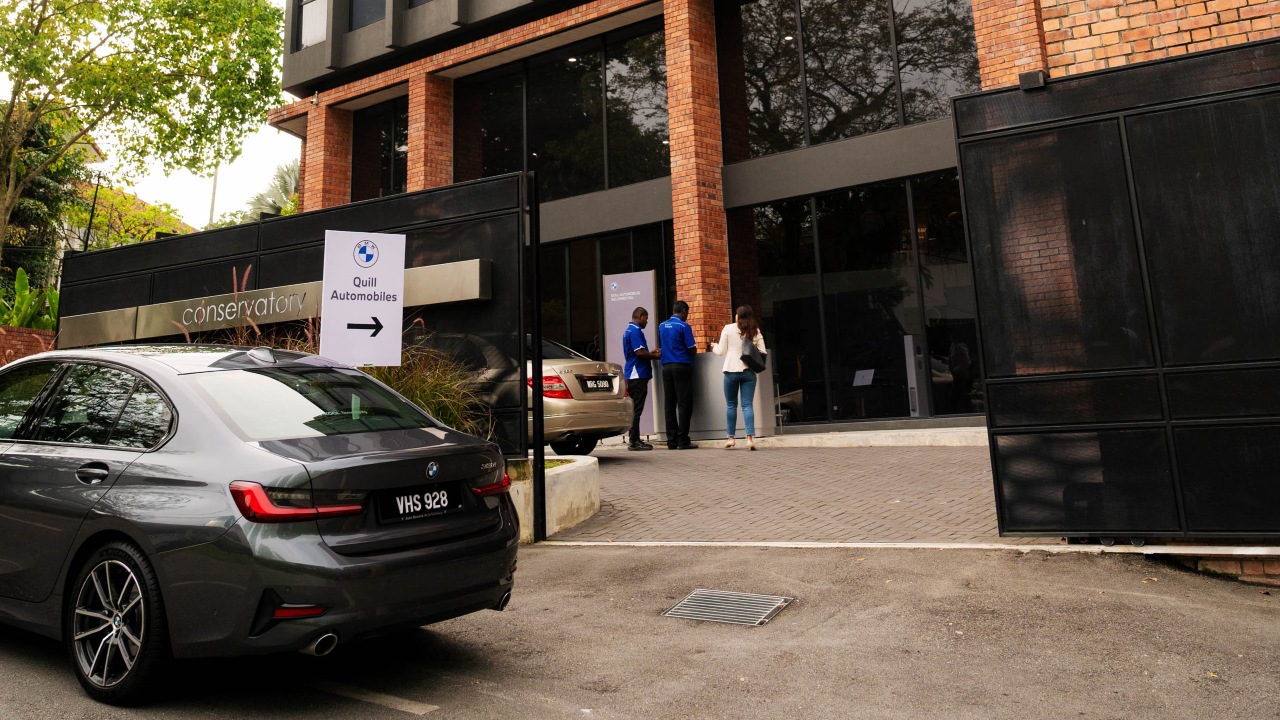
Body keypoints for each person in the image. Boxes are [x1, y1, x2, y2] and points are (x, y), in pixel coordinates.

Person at [710, 305, 767, 451]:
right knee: (747, 405)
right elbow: (762, 352)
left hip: (731, 370)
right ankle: (750, 439)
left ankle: (730, 438)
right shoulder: (755, 330)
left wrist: (713, 346)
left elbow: (721, 351)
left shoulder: (728, 329)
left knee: (731, 404)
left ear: (738, 316)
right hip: (748, 372)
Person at [657, 300, 698, 450]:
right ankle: (683, 440)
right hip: (681, 366)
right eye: (687, 312)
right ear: (683, 311)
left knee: (669, 404)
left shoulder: (661, 326)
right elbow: (692, 348)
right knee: (684, 403)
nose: (687, 315)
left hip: (666, 367)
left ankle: (671, 441)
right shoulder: (683, 326)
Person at [622, 307, 660, 451]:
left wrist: (649, 353)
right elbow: (639, 353)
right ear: (639, 316)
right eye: (646, 317)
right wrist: (655, 356)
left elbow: (638, 352)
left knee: (635, 409)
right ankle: (634, 441)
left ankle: (634, 439)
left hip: (633, 373)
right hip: (637, 374)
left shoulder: (628, 330)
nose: (647, 321)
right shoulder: (636, 331)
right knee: (636, 409)